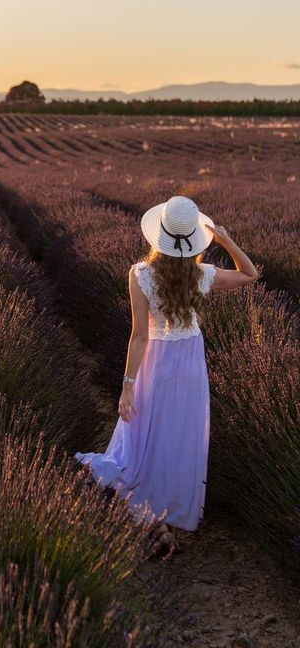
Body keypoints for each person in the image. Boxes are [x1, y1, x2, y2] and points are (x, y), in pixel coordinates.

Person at [74, 195, 259, 555]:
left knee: (147, 430)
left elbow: (140, 336)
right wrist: (225, 239)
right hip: (189, 362)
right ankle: (169, 504)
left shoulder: (140, 275)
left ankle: (142, 502)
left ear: (159, 234)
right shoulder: (201, 275)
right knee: (179, 434)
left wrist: (127, 387)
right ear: (193, 238)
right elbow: (250, 274)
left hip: (156, 360)